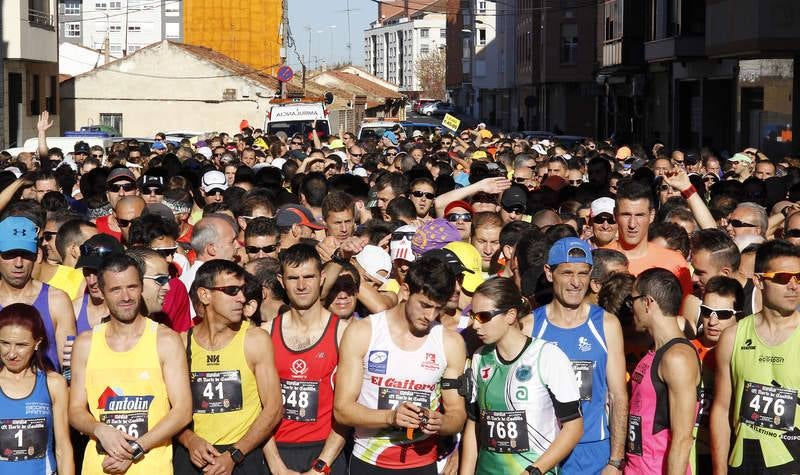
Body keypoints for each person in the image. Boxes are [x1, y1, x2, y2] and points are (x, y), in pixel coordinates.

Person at [334, 255, 467, 474]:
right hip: (369, 461)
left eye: (438, 308)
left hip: (422, 463)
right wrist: (390, 417)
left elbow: (457, 416)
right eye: (425, 305)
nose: (430, 315)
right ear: (405, 291)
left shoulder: (450, 343)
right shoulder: (364, 332)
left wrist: (440, 422)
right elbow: (342, 410)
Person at [68, 254, 192, 474]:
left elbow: (182, 411)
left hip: (151, 467)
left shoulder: (165, 340)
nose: (126, 297)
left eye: (132, 287)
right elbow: (76, 410)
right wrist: (99, 429)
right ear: (102, 292)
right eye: (116, 290)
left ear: (141, 288)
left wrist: (135, 448)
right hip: (100, 467)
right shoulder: (86, 344)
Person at [461, 277, 584, 475]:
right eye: (473, 316)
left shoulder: (548, 356)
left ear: (510, 315)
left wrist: (534, 471)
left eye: (483, 316)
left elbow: (574, 427)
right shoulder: (480, 357)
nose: (475, 325)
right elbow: (473, 424)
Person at [528, 238, 628, 474]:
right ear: (549, 273)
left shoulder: (606, 324)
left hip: (593, 451)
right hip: (544, 450)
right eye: (567, 273)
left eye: (583, 274)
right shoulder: (530, 326)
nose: (576, 282)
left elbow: (618, 396)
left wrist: (615, 461)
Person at [175, 259, 282, 474]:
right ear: (204, 295)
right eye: (232, 291)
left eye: (242, 290)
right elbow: (168, 407)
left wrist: (235, 454)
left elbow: (274, 408)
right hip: (193, 455)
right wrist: (189, 440)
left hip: (241, 457)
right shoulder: (181, 342)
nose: (242, 298)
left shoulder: (254, 339)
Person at [710, 240, 800, 473]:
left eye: (799, 277)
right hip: (744, 463)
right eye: (782, 277)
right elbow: (721, 409)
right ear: (759, 281)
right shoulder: (732, 336)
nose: (793, 285)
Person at [264, 244, 348, 475]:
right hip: (276, 451)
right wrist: (276, 466)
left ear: (322, 278)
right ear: (282, 280)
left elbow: (348, 407)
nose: (301, 286)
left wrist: (321, 466)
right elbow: (256, 407)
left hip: (325, 451)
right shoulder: (264, 333)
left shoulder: (343, 333)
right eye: (293, 278)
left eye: (309, 277)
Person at [625, 268, 700, 475]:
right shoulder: (654, 351)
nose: (631, 309)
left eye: (632, 301)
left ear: (647, 302)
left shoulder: (677, 358)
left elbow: (683, 439)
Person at [0, 303, 74, 474]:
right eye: (4, 343)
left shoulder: (53, 383)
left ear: (36, 343)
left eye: (21, 345)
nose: (11, 353)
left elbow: (63, 449)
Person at [0, 216, 76, 372]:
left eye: (26, 255)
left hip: (47, 393)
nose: (19, 263)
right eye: (10, 255)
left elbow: (69, 369)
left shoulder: (57, 300)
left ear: (37, 256)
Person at [690, 276, 743, 473]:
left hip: (729, 452)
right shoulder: (685, 350)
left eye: (722, 314)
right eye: (706, 312)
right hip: (689, 452)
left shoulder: (746, 355)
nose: (712, 321)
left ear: (740, 316)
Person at [609, 180, 693, 296]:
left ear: (652, 215)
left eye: (640, 215)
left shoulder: (676, 262)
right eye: (626, 215)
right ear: (615, 215)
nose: (632, 224)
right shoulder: (600, 259)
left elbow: (686, 311)